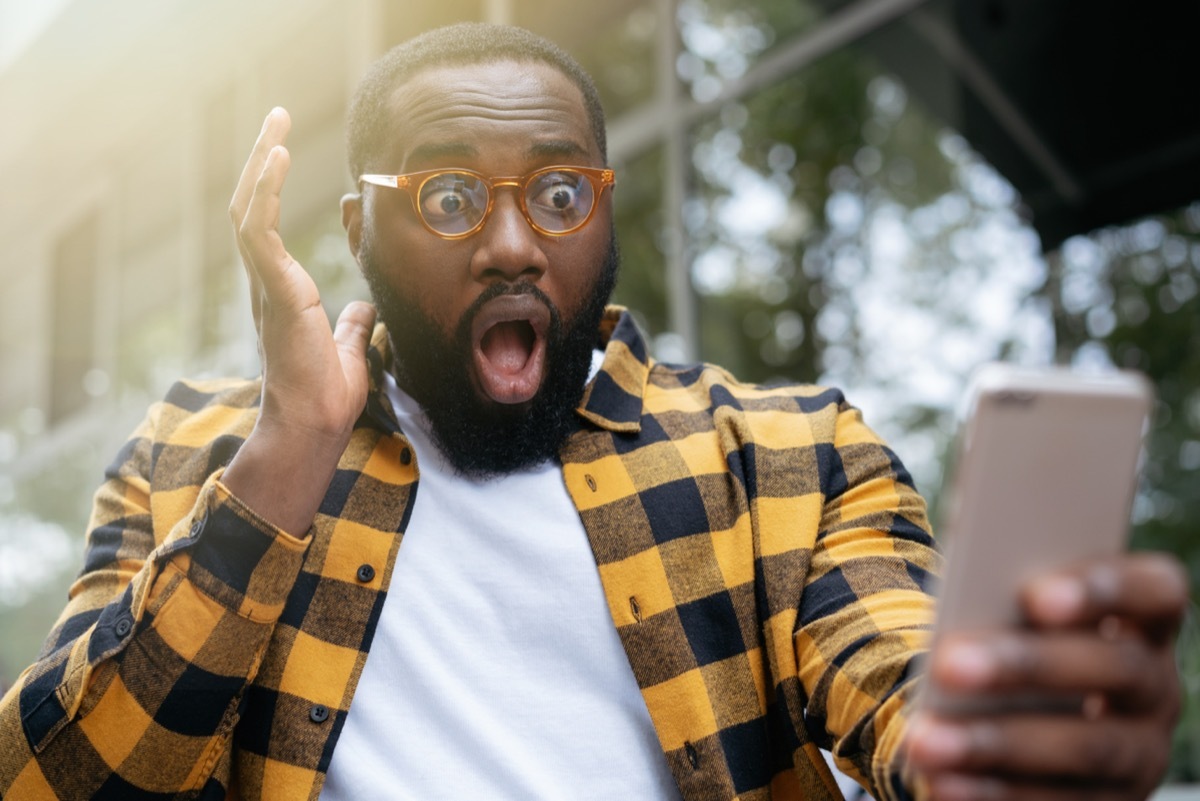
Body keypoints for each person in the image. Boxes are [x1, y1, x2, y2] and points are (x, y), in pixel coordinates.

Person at [0, 22, 1186, 801]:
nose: (514, 244)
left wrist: (987, 741)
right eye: (452, 193)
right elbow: (51, 788)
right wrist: (291, 448)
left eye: (561, 192)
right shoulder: (197, 457)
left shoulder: (787, 458)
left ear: (606, 219)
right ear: (359, 232)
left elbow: (894, 659)